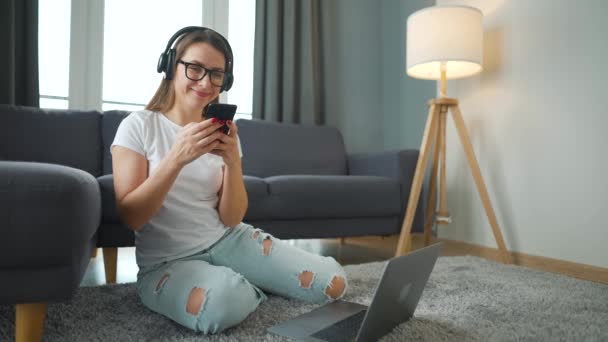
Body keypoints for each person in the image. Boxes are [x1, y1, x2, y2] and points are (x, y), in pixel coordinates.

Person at [111, 26, 347, 334]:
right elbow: (132, 217)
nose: (206, 82)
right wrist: (176, 158)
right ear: (170, 66)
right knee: (219, 305)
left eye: (216, 74)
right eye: (195, 69)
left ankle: (240, 276)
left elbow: (232, 217)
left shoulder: (221, 133)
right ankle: (244, 284)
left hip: (229, 240)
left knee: (334, 284)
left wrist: (233, 161)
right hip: (166, 262)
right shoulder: (138, 127)